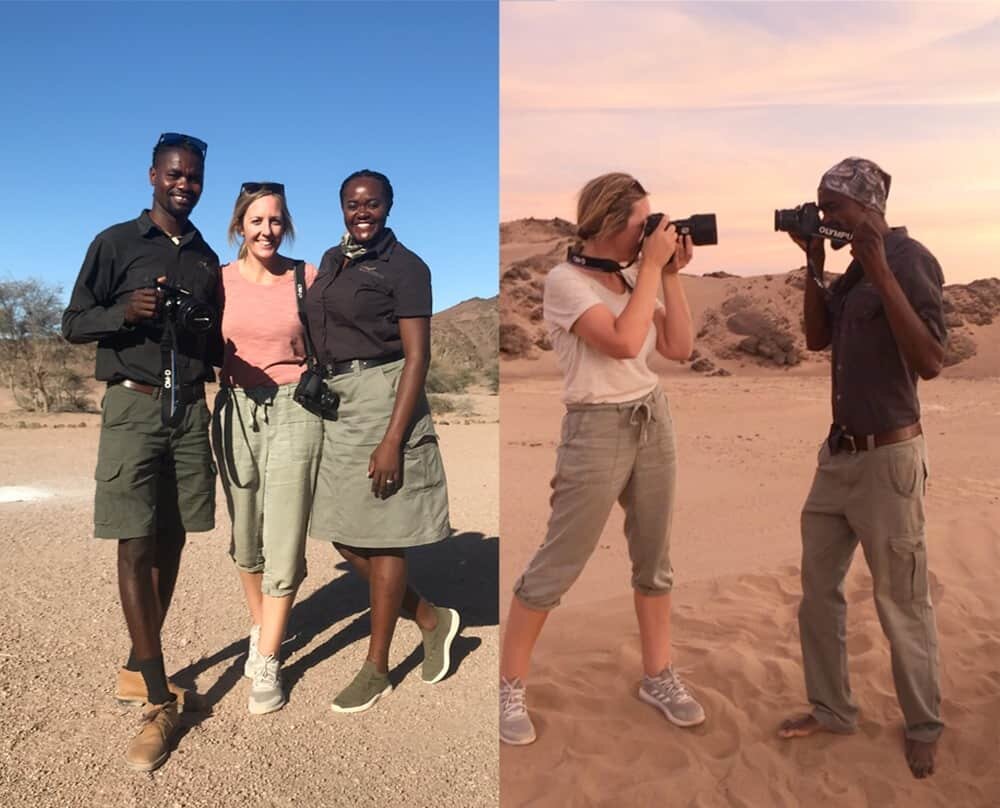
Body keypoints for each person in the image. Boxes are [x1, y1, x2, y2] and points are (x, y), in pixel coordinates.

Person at [499, 172, 704, 746]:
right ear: (612, 223)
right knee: (558, 561)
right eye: (643, 224)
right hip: (594, 429)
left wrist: (670, 278)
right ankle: (509, 686)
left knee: (654, 561)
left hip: (651, 419)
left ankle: (659, 676)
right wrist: (648, 279)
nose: (651, 232)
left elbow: (679, 349)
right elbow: (618, 340)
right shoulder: (565, 283)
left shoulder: (635, 277)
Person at [777, 157, 946, 780]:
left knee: (902, 599)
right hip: (838, 459)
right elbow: (818, 340)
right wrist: (816, 266)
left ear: (870, 206)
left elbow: (930, 358)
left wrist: (876, 266)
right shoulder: (848, 274)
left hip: (890, 461)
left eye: (835, 208)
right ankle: (832, 708)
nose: (826, 218)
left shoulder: (910, 261)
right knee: (817, 593)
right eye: (821, 208)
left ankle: (924, 723)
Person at [62, 132, 220, 771]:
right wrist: (125, 311)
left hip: (188, 407)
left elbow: (212, 340)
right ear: (153, 176)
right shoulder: (115, 242)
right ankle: (158, 695)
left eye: (195, 177)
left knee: (174, 536)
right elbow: (73, 322)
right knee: (134, 538)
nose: (185, 185)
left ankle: (139, 661)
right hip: (132, 402)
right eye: (175, 174)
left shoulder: (207, 257)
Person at [304, 169, 458, 713]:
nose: (361, 211)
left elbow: (419, 356)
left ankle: (377, 667)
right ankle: (429, 618)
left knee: (384, 532)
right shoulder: (331, 259)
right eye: (352, 203)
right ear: (341, 207)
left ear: (389, 205)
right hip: (336, 401)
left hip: (384, 393)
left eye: (371, 203)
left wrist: (393, 437)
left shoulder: (407, 267)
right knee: (344, 532)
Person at [212, 182, 321, 715]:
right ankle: (263, 627)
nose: (266, 230)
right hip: (234, 407)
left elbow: (336, 335)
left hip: (294, 406)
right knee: (246, 528)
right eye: (256, 221)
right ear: (239, 226)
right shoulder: (218, 281)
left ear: (287, 225)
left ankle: (270, 656)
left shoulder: (306, 278)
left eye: (275, 221)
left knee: (286, 524)